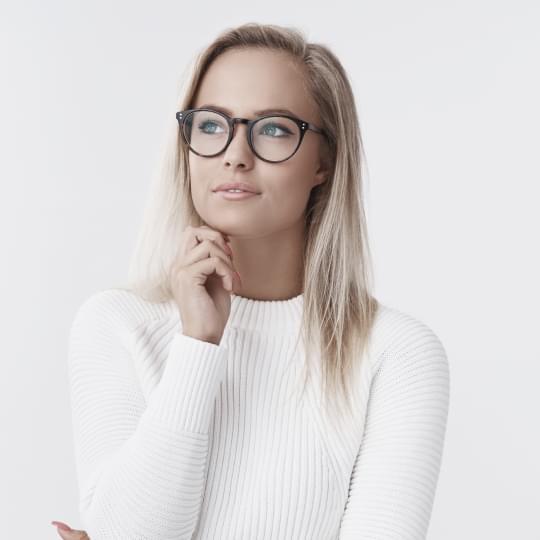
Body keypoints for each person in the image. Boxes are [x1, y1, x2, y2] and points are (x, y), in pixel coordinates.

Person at [53, 22, 450, 540]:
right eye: (211, 125)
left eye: (274, 129)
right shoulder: (116, 325)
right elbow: (130, 532)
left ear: (324, 162)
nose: (235, 154)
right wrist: (198, 345)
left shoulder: (395, 354)